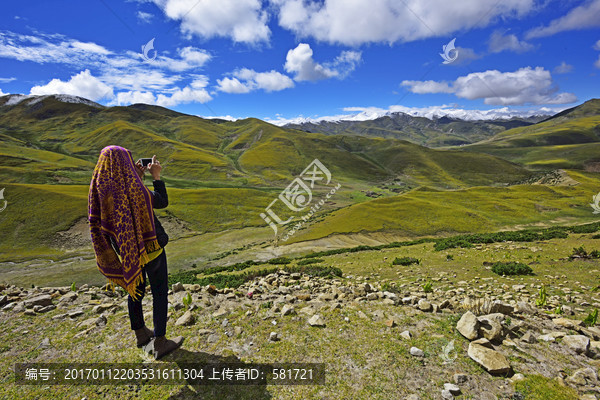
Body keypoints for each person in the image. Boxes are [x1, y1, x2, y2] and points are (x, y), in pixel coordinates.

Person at [88, 146, 183, 359]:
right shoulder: (133, 186)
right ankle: (160, 341)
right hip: (150, 248)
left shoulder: (99, 188)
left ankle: (141, 333)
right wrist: (155, 177)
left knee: (135, 288)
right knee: (159, 291)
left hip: (126, 251)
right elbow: (160, 201)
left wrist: (137, 177)